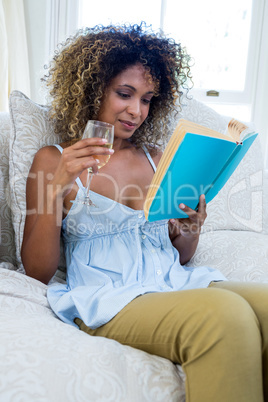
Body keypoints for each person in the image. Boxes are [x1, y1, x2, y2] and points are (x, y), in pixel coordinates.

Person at [21, 23, 268, 402]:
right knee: (224, 315)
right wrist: (56, 186)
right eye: (125, 94)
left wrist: (190, 228)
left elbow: (179, 255)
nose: (136, 110)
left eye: (148, 99)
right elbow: (38, 270)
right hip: (109, 298)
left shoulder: (156, 157)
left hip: (172, 283)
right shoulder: (54, 159)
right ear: (93, 89)